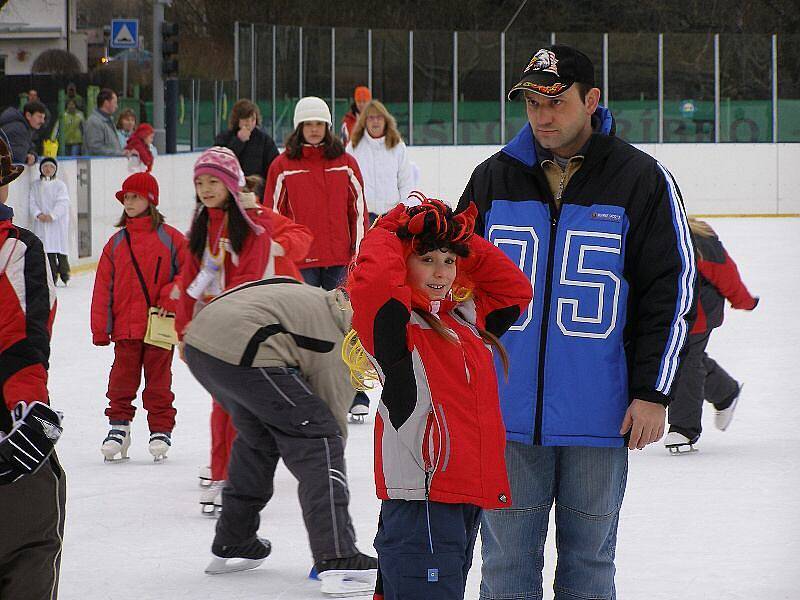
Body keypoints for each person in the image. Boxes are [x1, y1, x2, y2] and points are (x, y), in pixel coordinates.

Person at [457, 45, 696, 599]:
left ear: (591, 100)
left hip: (601, 419)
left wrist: (654, 392)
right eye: (532, 102)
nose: (542, 115)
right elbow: (450, 284)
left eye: (556, 101)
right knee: (505, 569)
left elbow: (672, 290)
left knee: (589, 568)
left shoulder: (640, 178)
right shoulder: (493, 178)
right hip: (507, 416)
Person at [346, 197, 532, 600]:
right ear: (402, 261)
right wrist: (391, 229)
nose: (440, 271)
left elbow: (515, 289)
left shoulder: (462, 321)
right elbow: (376, 282)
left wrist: (460, 238)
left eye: (450, 261)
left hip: (460, 498)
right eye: (426, 258)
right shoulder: (395, 327)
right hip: (424, 501)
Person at [182, 278, 378, 596]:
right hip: (245, 352)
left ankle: (235, 539)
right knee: (319, 439)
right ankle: (338, 556)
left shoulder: (318, 300)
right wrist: (328, 453)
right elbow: (329, 429)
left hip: (201, 346)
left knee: (258, 436)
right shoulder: (340, 342)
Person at [175, 146, 272, 514]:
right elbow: (188, 282)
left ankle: (233, 473)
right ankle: (223, 472)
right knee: (224, 405)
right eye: (200, 182)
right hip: (207, 335)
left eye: (214, 180)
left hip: (240, 332)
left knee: (238, 407)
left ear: (232, 184)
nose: (206, 188)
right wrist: (183, 331)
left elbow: (249, 284)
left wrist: (228, 322)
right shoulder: (200, 228)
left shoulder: (252, 230)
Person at [0, 133, 65, 600]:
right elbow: (21, 343)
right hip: (8, 446)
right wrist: (28, 410)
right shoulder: (15, 250)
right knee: (28, 551)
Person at [90, 172, 187, 462]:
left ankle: (160, 429)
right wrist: (100, 328)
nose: (129, 202)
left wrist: (172, 291)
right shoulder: (116, 243)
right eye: (126, 197)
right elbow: (102, 288)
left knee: (159, 382)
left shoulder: (171, 239)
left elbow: (189, 272)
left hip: (159, 326)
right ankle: (119, 427)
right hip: (125, 327)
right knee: (121, 380)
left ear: (151, 200)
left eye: (135, 196)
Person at [664, 218, 758, 453]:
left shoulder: (699, 239)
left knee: (684, 360)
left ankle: (683, 429)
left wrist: (743, 301)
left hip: (697, 314)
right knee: (678, 357)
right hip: (661, 314)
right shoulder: (641, 235)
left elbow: (726, 273)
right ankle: (725, 391)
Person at [266, 96, 367, 291]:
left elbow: (358, 210)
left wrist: (359, 248)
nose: (314, 129)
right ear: (299, 127)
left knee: (342, 316)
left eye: (319, 124)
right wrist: (280, 250)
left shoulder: (345, 163)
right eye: (308, 124)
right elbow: (274, 214)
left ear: (327, 127)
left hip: (339, 257)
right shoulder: (282, 166)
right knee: (304, 317)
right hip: (300, 258)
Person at [346, 100, 414, 222]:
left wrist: (404, 209)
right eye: (371, 118)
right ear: (364, 121)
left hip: (392, 215)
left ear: (386, 120)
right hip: (363, 216)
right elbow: (346, 183)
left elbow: (406, 181)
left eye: (379, 117)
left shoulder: (397, 146)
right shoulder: (353, 147)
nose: (375, 121)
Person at [28, 157, 71, 285]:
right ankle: (51, 275)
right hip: (41, 223)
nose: (48, 169)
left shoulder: (60, 185)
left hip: (57, 223)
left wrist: (52, 215)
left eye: (51, 167)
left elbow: (63, 202)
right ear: (41, 169)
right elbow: (32, 201)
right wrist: (38, 214)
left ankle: (64, 273)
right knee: (47, 250)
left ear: (55, 169)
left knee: (59, 249)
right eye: (45, 166)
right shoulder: (35, 185)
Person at [214, 99, 279, 180]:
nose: (250, 123)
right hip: (231, 186)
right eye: (246, 120)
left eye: (253, 119)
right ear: (237, 119)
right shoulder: (224, 138)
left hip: (256, 188)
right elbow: (217, 164)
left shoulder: (265, 140)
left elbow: (275, 167)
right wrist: (238, 141)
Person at [0, 100, 47, 165]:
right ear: (28, 115)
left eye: (43, 117)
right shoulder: (18, 129)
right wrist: (27, 158)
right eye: (39, 117)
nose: (42, 121)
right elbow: (17, 157)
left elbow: (28, 148)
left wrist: (32, 155)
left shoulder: (24, 128)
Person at [83, 89, 123, 156]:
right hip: (99, 164)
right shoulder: (94, 122)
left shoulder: (109, 121)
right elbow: (95, 148)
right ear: (106, 103)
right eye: (115, 103)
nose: (116, 106)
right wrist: (118, 153)